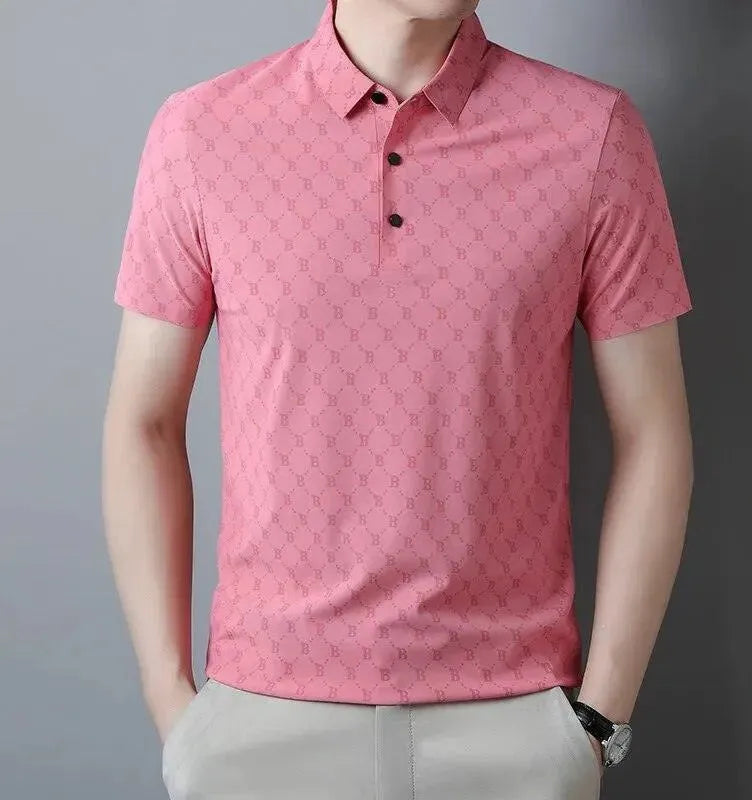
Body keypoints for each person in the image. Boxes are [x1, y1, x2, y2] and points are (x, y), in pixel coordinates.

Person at [101, 0, 694, 798]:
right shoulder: (202, 132)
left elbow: (654, 433)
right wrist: (176, 707)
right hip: (260, 726)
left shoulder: (593, 133)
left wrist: (597, 718)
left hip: (514, 729)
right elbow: (144, 421)